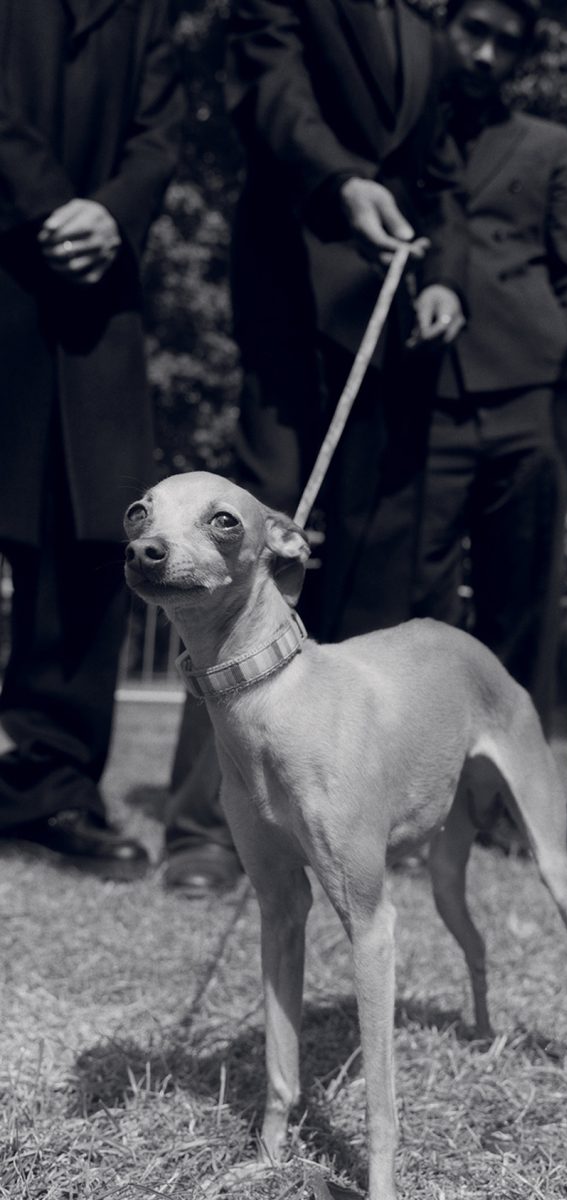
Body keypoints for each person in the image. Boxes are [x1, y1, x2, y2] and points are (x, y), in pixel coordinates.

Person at [161, 0, 467, 895]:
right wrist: (341, 181)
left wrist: (446, 277)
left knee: (377, 559)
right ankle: (206, 824)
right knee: (237, 551)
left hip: (392, 327)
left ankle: (355, 807)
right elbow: (270, 93)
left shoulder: (430, 32)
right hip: (291, 308)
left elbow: (442, 174)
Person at [0, 0, 184, 880]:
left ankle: (50, 788)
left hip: (95, 303)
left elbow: (159, 133)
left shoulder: (148, 12)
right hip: (9, 264)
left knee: (86, 534)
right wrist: (48, 205)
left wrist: (113, 213)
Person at [412, 0, 567, 736]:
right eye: (474, 32)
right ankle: (416, 766)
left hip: (529, 395)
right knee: (417, 597)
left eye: (506, 44)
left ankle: (509, 777)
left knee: (521, 604)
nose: (486, 55)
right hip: (425, 396)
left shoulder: (548, 144)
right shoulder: (403, 130)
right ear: (443, 27)